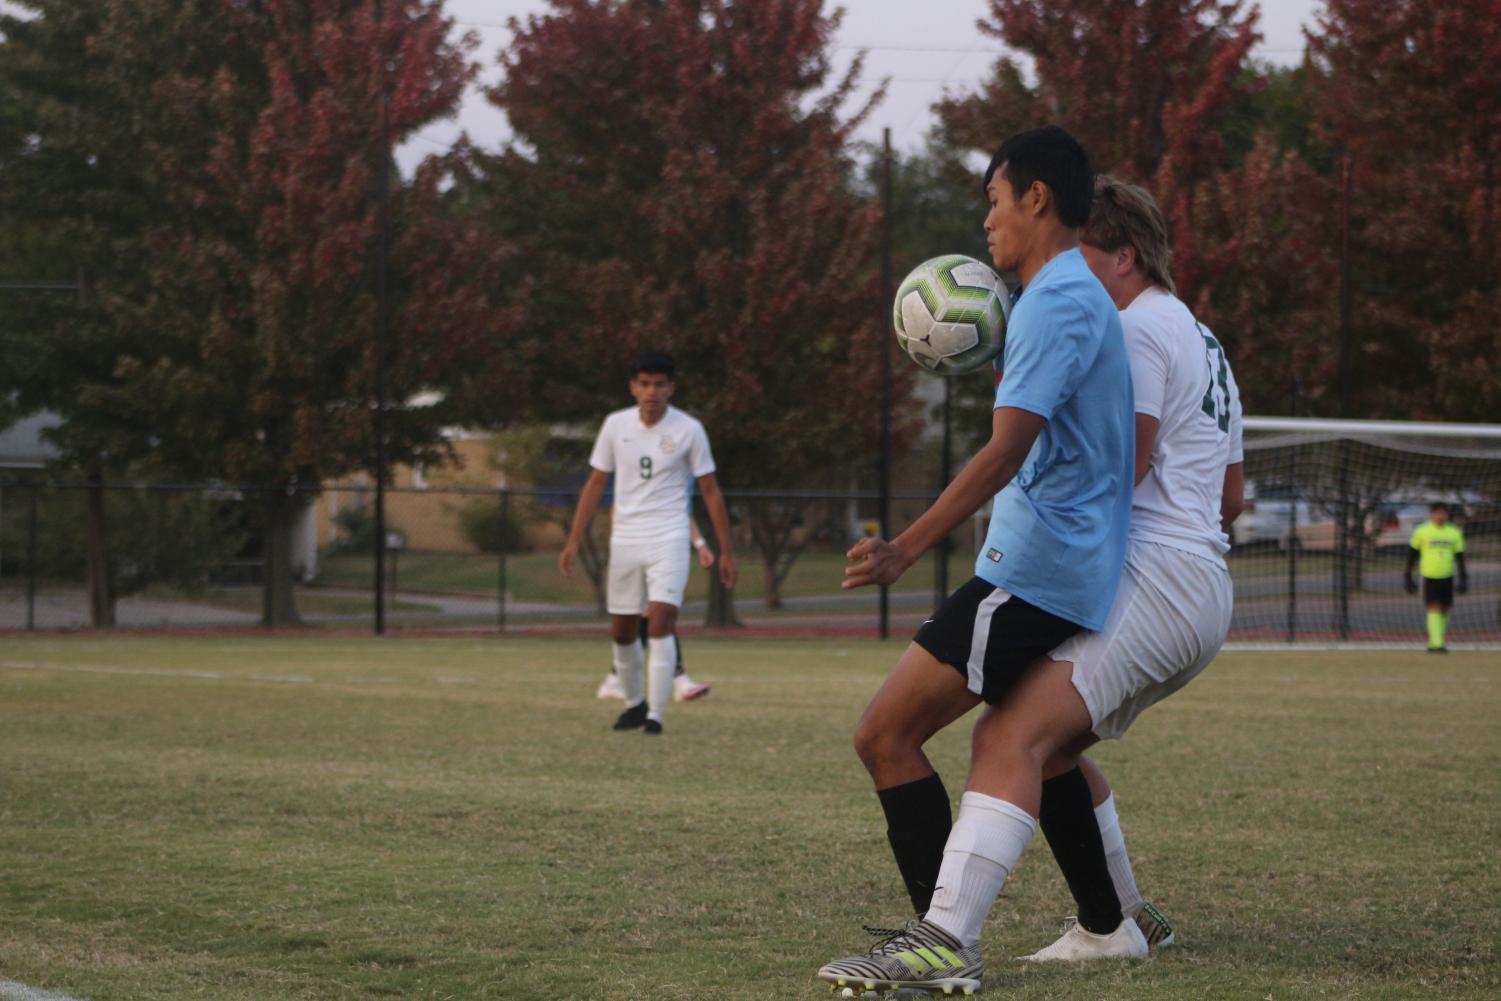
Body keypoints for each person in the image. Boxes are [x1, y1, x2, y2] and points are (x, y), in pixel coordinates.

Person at [814, 126, 1135, 995]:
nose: (985, 220)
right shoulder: (1065, 294)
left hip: (1031, 571)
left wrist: (903, 547)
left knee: (885, 734)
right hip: (1054, 568)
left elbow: (1001, 452)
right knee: (1042, 748)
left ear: (1035, 198)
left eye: (993, 199)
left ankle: (940, 942)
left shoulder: (1054, 299)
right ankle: (1106, 922)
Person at [1009, 175, 1245, 962]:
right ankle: (1129, 913)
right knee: (1058, 749)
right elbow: (1231, 499)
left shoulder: (1137, 330)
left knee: (1017, 737)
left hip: (1155, 576)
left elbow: (1122, 465)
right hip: (1204, 584)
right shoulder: (1203, 337)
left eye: (1080, 257)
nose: (1065, 278)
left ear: (1125, 256)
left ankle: (969, 935)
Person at [559, 352, 736, 734]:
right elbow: (595, 483)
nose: (651, 391)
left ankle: (656, 715)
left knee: (660, 621)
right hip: (626, 539)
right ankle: (634, 704)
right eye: (644, 383)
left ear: (671, 388)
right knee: (623, 630)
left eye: (659, 384)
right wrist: (574, 539)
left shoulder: (689, 429)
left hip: (669, 537)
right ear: (633, 387)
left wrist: (724, 550)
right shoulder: (615, 425)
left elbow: (710, 490)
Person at [596, 517, 716, 702]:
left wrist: (700, 544)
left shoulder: (674, 492)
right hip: (637, 553)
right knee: (654, 615)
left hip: (664, 554)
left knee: (656, 614)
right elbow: (616, 510)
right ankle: (679, 680)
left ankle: (615, 680)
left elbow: (682, 512)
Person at [1404, 502, 1467, 653]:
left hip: (1447, 576)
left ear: (1447, 515)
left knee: (1444, 609)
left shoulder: (1454, 532)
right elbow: (1412, 555)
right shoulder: (1422, 531)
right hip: (1429, 576)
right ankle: (1438, 644)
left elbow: (1460, 557)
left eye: (1443, 513)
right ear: (1431, 515)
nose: (1440, 516)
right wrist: (1407, 575)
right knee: (1433, 608)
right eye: (1437, 513)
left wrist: (1464, 578)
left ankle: (1434, 643)